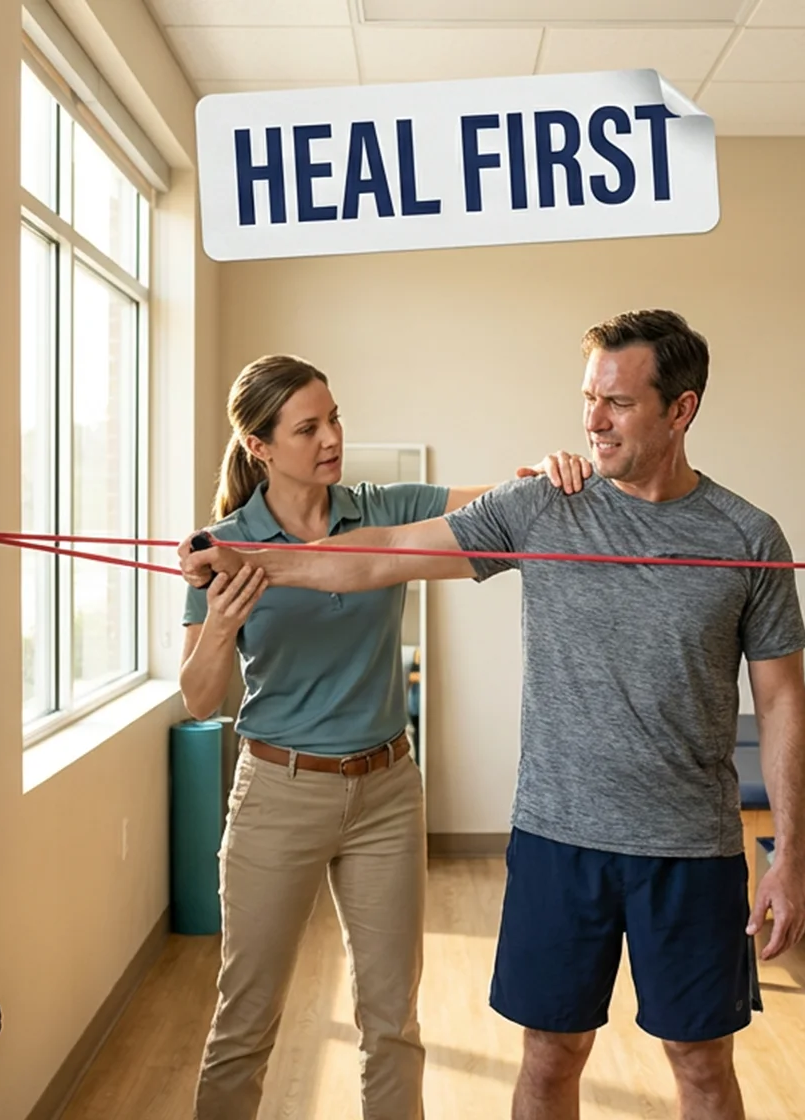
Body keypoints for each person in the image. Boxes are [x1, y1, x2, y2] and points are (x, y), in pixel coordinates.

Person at [179, 310, 805, 1120]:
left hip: (688, 847)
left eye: (617, 404)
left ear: (681, 409)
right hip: (553, 839)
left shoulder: (747, 536)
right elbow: (376, 556)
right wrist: (247, 561)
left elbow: (783, 697)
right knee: (548, 1059)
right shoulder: (545, 511)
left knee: (700, 1068)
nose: (592, 420)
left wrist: (791, 853)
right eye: (588, 398)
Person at [181, 354, 593, 1119]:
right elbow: (201, 694)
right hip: (278, 792)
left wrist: (548, 471)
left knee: (392, 1024)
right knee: (245, 1023)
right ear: (261, 446)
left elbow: (510, 510)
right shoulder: (224, 546)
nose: (332, 438)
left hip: (387, 792)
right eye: (308, 428)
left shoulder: (386, 507)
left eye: (334, 417)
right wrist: (222, 625)